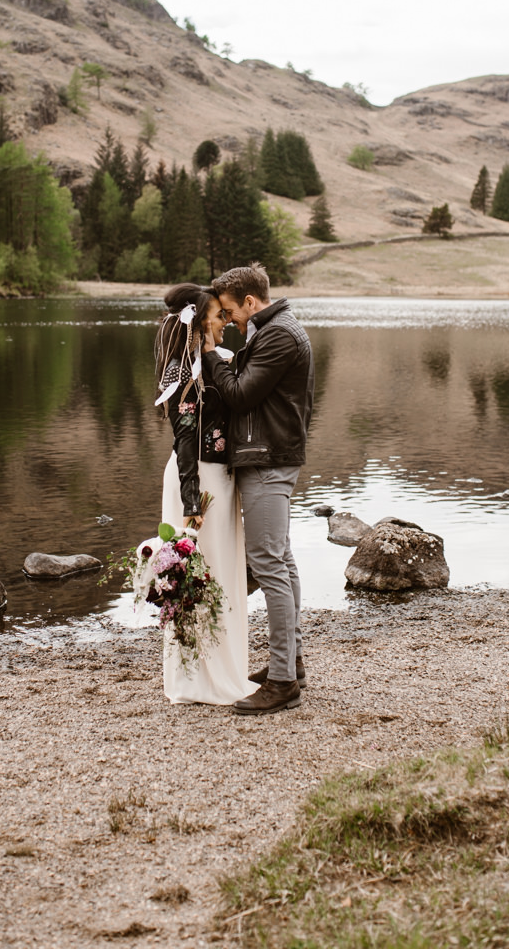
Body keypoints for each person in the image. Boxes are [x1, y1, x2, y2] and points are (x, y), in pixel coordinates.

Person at [202, 263, 314, 716]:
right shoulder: (271, 330)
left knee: (268, 563)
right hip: (270, 455)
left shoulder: (279, 334)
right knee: (281, 560)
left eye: (230, 311)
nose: (228, 320)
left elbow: (242, 394)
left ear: (251, 301)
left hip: (268, 460)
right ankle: (292, 663)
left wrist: (211, 354)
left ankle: (284, 682)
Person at [154, 283, 258, 706]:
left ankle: (226, 668)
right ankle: (196, 679)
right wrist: (192, 501)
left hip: (223, 481)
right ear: (198, 322)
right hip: (196, 481)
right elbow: (184, 440)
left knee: (224, 577)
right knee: (199, 577)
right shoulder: (183, 371)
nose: (224, 321)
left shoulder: (216, 361)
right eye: (217, 314)